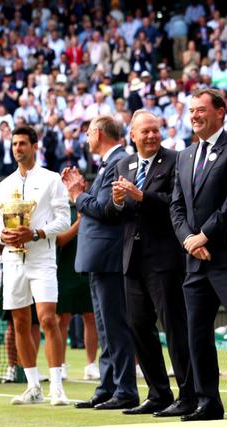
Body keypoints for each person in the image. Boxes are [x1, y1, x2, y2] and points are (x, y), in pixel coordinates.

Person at [105, 109, 195, 417]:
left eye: (155, 130)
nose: (151, 136)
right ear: (132, 135)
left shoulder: (176, 160)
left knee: (174, 327)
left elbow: (175, 204)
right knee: (139, 327)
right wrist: (118, 201)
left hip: (165, 257)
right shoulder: (124, 164)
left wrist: (141, 196)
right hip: (133, 258)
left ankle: (188, 393)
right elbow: (118, 212)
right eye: (145, 131)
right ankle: (158, 393)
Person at [170, 88, 227, 421]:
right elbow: (176, 206)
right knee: (196, 333)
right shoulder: (185, 155)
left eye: (201, 109)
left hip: (225, 257)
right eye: (191, 111)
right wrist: (189, 239)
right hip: (194, 260)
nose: (195, 116)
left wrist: (204, 234)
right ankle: (207, 401)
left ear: (221, 112)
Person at [61, 115, 139, 410]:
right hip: (99, 258)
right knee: (106, 326)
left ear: (97, 133)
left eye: (88, 133)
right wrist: (84, 192)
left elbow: (107, 210)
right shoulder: (109, 163)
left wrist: (78, 194)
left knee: (114, 324)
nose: (86, 139)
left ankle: (125, 389)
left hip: (109, 257)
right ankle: (108, 386)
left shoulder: (119, 161)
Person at [0, 125, 72, 405]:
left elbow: (63, 219)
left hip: (42, 258)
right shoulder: (3, 186)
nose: (18, 148)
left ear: (34, 146)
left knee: (49, 319)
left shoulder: (51, 180)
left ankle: (57, 387)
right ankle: (33, 387)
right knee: (20, 323)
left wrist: (36, 233)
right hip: (12, 260)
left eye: (23, 143)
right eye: (14, 144)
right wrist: (4, 236)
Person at [55, 189, 99, 381]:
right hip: (64, 271)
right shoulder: (61, 210)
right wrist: (79, 222)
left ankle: (91, 365)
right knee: (61, 319)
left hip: (87, 269)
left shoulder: (91, 205)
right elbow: (60, 240)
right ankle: (60, 365)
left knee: (91, 317)